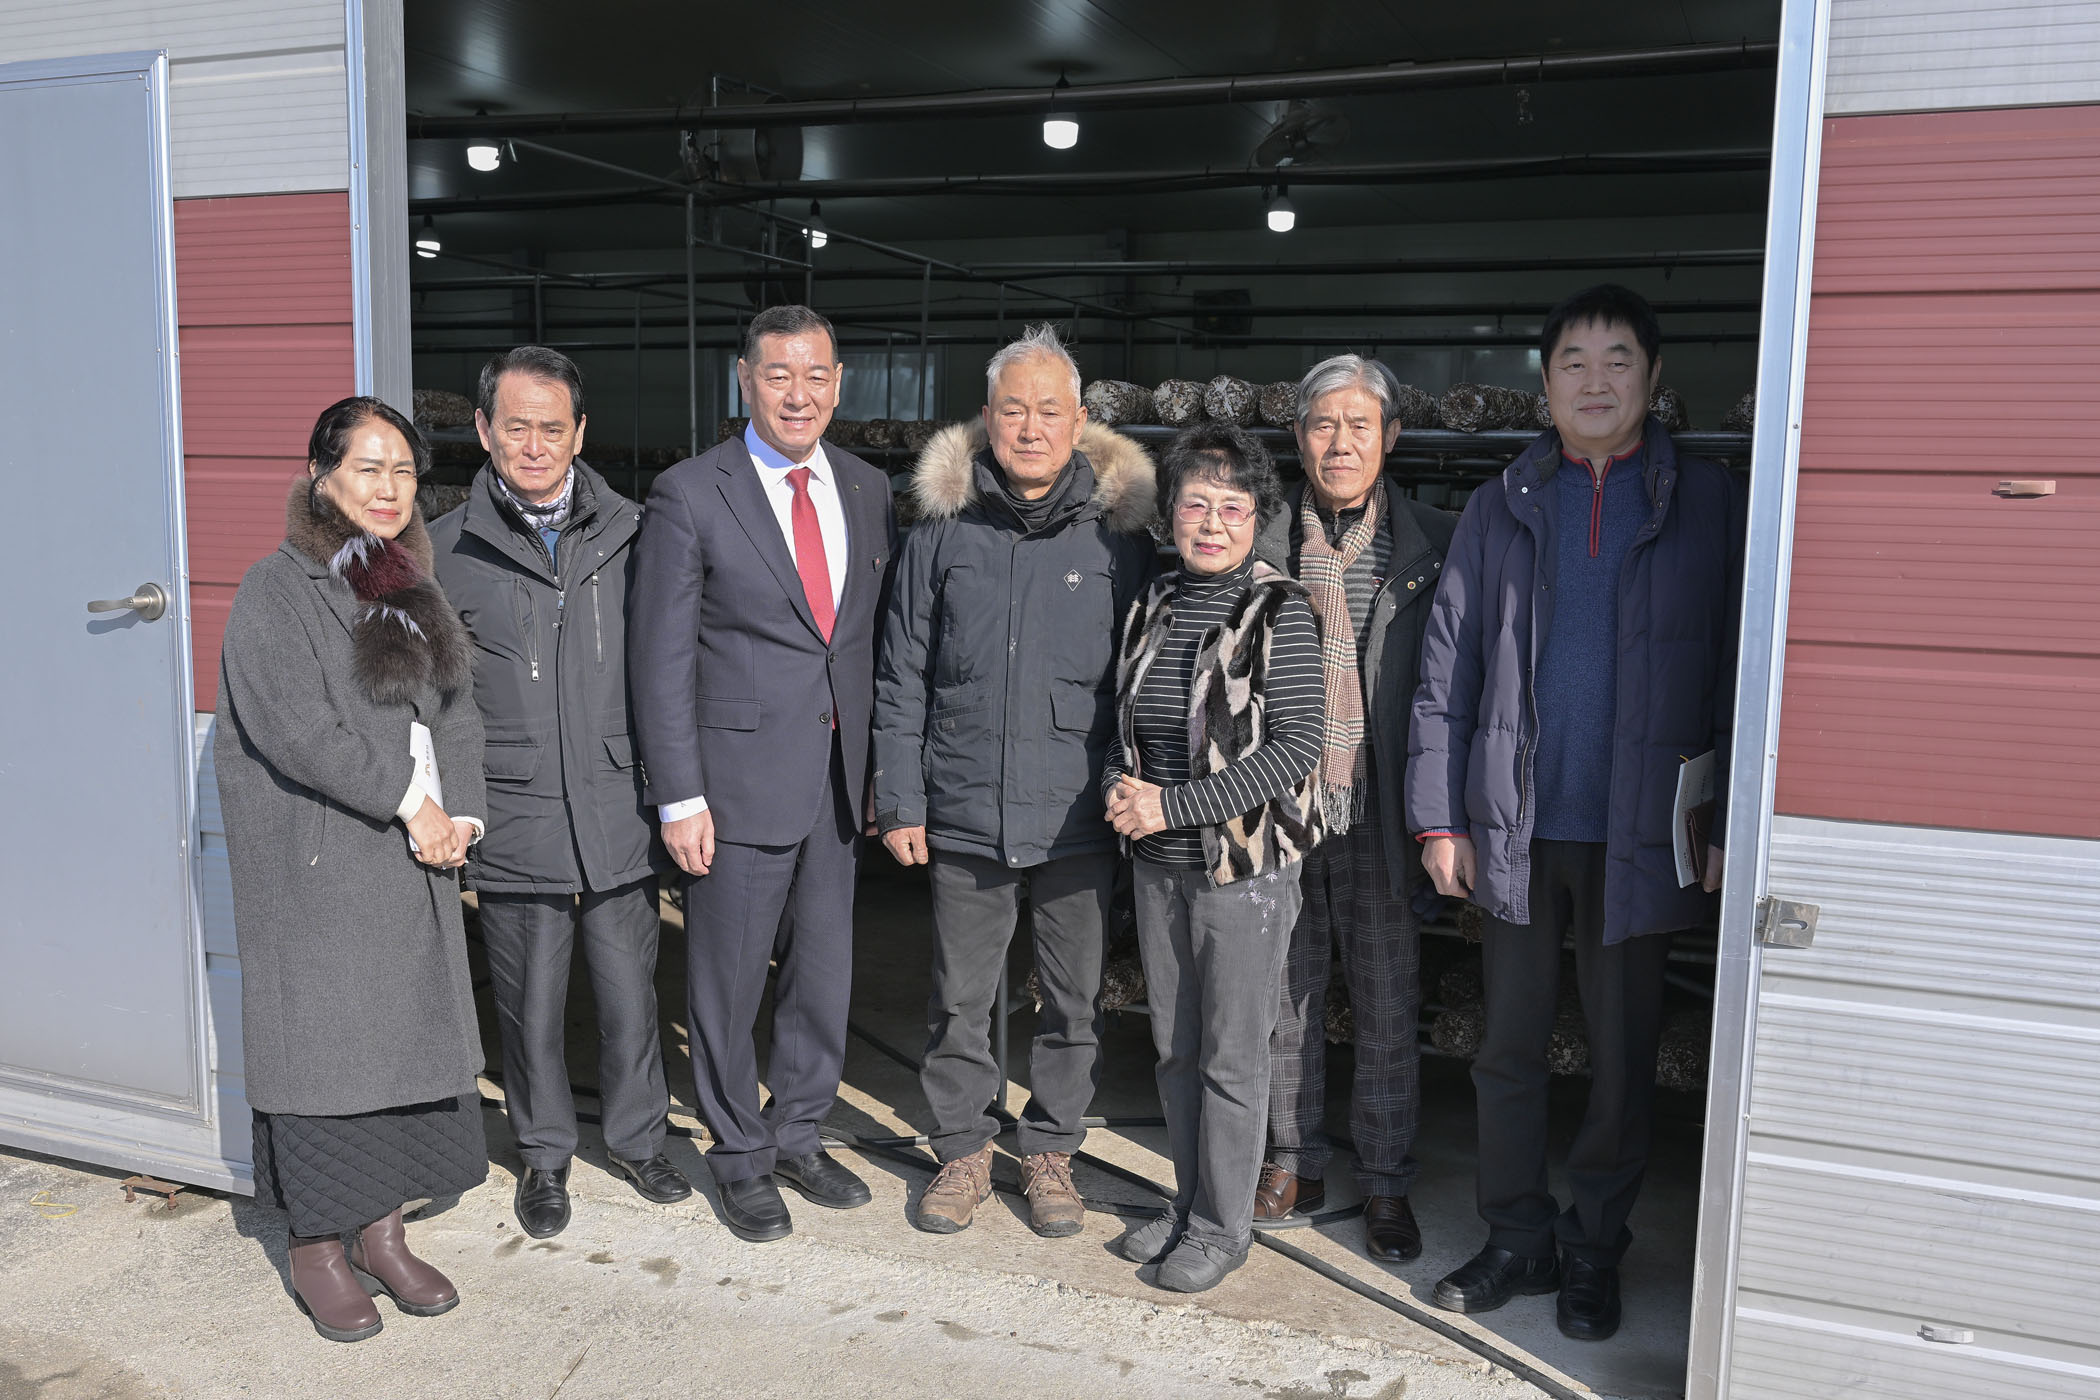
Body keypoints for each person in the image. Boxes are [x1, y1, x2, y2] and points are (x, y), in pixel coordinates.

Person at [1408, 284, 1743, 1341]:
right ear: (1545, 383)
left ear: (1653, 376)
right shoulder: (1502, 504)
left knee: (1621, 1053)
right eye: (1573, 363)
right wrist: (1439, 818)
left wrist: (1729, 818)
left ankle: (1596, 1245)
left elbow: (1740, 672)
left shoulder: (1708, 503)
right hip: (1515, 824)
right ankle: (1517, 1236)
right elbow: (1447, 670)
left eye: (1617, 360)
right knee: (1506, 1047)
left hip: (1643, 834)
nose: (1595, 382)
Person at [873, 324, 1158, 1238]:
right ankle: (961, 1147)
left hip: (1078, 813)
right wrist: (900, 798)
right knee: (961, 996)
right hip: (964, 805)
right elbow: (901, 672)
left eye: (1048, 410)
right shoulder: (943, 532)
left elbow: (1143, 683)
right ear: (986, 419)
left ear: (1080, 422)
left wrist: (1133, 792)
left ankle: (1050, 1150)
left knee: (1072, 999)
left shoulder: (1120, 541)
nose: (1029, 428)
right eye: (1012, 409)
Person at [214, 397, 488, 1342]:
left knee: (404, 1040)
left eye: (403, 471)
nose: (388, 488)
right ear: (321, 476)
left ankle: (383, 1231)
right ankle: (317, 1247)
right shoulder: (276, 588)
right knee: (329, 1050)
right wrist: (412, 803)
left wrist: (463, 813)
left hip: (413, 852)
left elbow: (456, 708)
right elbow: (298, 730)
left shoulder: (408, 582)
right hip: (322, 856)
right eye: (368, 468)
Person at [628, 304, 896, 1243]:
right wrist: (680, 796)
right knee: (729, 981)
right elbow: (660, 657)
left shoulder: (866, 487)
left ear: (839, 383)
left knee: (822, 977)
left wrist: (882, 774)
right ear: (745, 380)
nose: (798, 394)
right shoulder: (691, 493)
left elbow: (864, 643)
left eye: (816, 375)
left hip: (836, 780)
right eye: (778, 374)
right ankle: (738, 1153)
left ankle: (798, 1133)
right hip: (734, 784)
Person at [429, 346, 684, 1241]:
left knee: (629, 994)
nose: (533, 446)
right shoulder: (446, 550)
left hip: (616, 801)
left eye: (551, 427)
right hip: (516, 803)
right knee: (529, 1002)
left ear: (580, 432)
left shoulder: (637, 534)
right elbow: (437, 700)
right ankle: (542, 1154)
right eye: (515, 427)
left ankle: (640, 1140)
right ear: (483, 430)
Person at [1103, 423, 1327, 1293]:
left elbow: (1295, 748)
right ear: (1170, 514)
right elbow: (1125, 721)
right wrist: (1120, 787)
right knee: (1174, 1048)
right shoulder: (1154, 602)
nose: (1211, 523)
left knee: (1232, 1054)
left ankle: (1222, 1228)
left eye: (1232, 508)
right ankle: (1190, 1198)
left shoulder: (1279, 610)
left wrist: (1172, 804)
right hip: (1158, 863)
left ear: (1257, 519)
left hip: (1243, 872)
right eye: (1195, 503)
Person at [1251, 355, 1455, 1263]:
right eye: (1322, 425)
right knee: (1284, 993)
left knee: (1385, 994)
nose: (1340, 443)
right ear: (1298, 438)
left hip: (1382, 801)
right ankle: (1292, 1160)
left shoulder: (1431, 543)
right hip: (1283, 799)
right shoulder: (1259, 539)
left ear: (1391, 437)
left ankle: (1385, 1180)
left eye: (1359, 425)